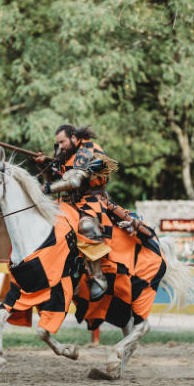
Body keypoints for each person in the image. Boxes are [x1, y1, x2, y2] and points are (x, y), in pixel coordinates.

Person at [34, 124, 120, 301]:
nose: (60, 146)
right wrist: (44, 166)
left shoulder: (88, 150)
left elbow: (74, 182)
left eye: (62, 142)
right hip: (70, 200)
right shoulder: (65, 154)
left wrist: (44, 189)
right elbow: (57, 179)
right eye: (58, 143)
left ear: (73, 137)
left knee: (87, 225)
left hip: (92, 199)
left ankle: (97, 276)